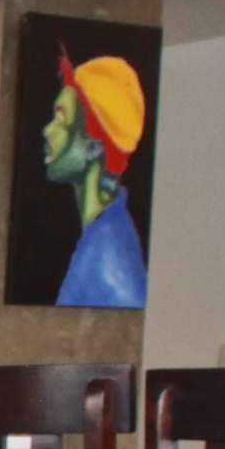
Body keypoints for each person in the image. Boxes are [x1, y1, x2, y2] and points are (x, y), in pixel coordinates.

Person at [39, 48, 148, 308]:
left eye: (60, 119)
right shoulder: (99, 237)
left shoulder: (108, 265)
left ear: (93, 147)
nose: (47, 130)